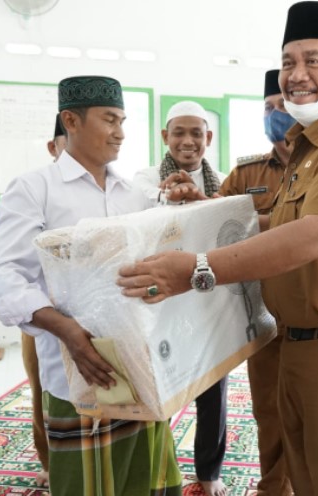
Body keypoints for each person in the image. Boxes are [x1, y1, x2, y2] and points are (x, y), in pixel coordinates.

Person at [117, 3, 318, 494]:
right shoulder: (311, 146)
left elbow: (317, 233)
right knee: (302, 477)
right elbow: (279, 221)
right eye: (288, 62)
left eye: (312, 61)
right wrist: (208, 212)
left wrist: (195, 269)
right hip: (298, 340)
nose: (296, 76)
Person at [0, 76, 183, 496]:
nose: (121, 133)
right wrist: (68, 332)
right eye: (109, 120)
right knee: (86, 485)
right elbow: (1, 277)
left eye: (123, 120)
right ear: (70, 120)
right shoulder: (35, 189)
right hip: (77, 374)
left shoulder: (133, 195)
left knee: (144, 480)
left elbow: (162, 256)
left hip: (139, 367)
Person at [132, 100, 228, 496]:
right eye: (179, 133)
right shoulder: (144, 179)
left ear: (208, 138)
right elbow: (141, 218)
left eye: (196, 134)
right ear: (164, 137)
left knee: (213, 393)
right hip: (161, 304)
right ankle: (159, 471)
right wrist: (168, 197)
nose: (187, 142)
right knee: (161, 390)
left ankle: (208, 474)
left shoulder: (222, 181)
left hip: (209, 301)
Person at [217, 69, 294, 496]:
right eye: (268, 108)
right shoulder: (246, 173)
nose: (275, 115)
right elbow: (215, 223)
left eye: (283, 106)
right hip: (265, 317)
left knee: (317, 414)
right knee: (269, 411)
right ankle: (273, 487)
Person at [19, 113, 69, 488]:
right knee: (42, 391)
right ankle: (49, 462)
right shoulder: (35, 189)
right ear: (54, 147)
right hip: (44, 319)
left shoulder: (114, 188)